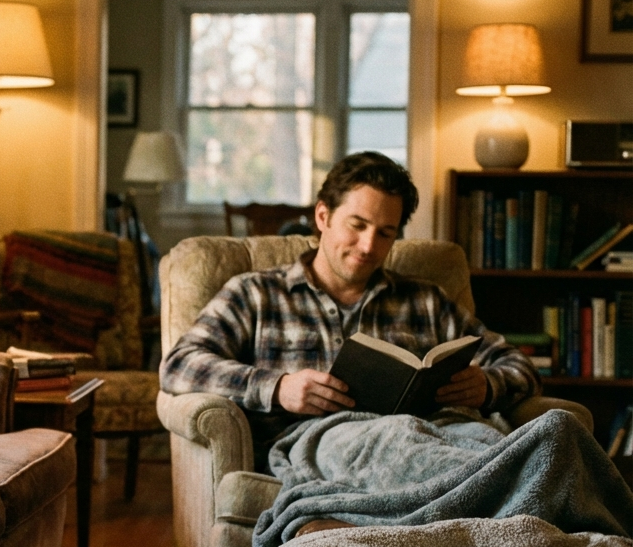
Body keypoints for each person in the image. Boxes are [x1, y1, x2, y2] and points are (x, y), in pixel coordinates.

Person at [164, 151, 540, 467]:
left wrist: (488, 386)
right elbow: (179, 365)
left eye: (385, 233)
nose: (367, 245)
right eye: (357, 225)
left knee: (556, 431)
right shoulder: (256, 294)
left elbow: (519, 366)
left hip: (432, 442)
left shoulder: (426, 300)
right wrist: (277, 388)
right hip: (323, 448)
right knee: (491, 459)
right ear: (323, 217)